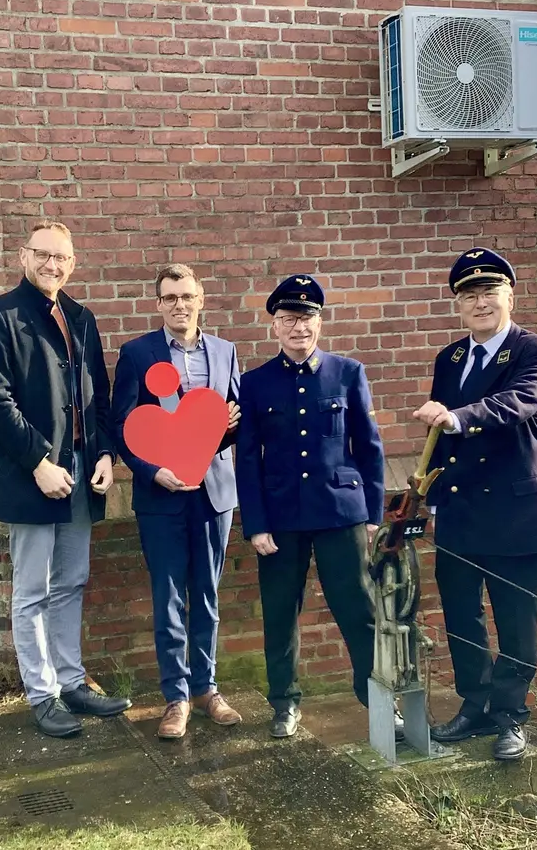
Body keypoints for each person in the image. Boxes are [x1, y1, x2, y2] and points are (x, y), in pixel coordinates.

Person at [0, 219, 130, 739]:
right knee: (32, 589)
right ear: (23, 257)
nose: (51, 265)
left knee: (71, 582)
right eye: (42, 255)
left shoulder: (82, 317)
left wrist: (106, 453)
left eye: (61, 258)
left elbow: (98, 397)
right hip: (31, 474)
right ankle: (42, 695)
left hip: (83, 472)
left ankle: (72, 681)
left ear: (72, 264)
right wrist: (39, 461)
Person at [412, 247, 537, 762]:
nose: (480, 303)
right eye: (469, 295)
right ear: (458, 304)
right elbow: (443, 443)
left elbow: (517, 404)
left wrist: (457, 417)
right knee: (462, 617)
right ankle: (473, 706)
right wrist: (427, 499)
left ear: (509, 296)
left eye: (489, 293)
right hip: (459, 512)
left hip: (515, 514)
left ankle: (511, 716)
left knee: (516, 620)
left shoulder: (531, 351)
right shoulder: (449, 359)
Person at [235, 274, 391, 739]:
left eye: (306, 318)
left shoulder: (348, 373)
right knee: (280, 613)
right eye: (288, 319)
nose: (298, 328)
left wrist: (373, 513)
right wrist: (256, 524)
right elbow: (247, 460)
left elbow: (370, 447)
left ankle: (379, 701)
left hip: (340, 514)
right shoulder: (256, 383)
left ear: (319, 323)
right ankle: (284, 702)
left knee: (359, 611)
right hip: (280, 520)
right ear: (274, 327)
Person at [111, 263, 246, 739]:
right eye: (169, 297)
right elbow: (123, 429)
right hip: (161, 494)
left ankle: (208, 689)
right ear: (158, 304)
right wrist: (153, 472)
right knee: (168, 597)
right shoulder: (137, 354)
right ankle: (176, 697)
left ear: (201, 299)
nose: (179, 305)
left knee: (207, 593)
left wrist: (232, 425)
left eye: (187, 296)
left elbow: (234, 421)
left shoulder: (227, 352)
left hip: (214, 494)